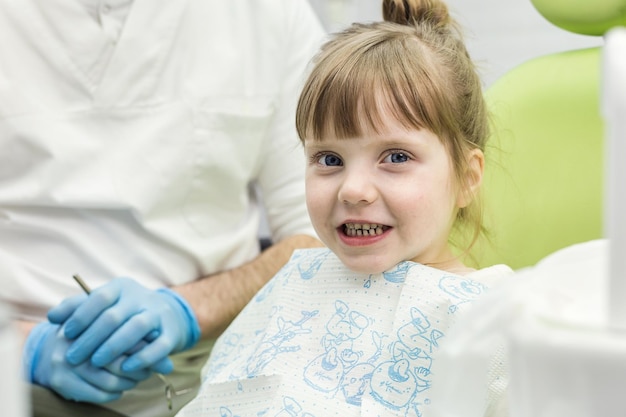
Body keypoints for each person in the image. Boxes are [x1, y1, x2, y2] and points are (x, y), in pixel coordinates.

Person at [173, 0, 513, 416]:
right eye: (329, 159)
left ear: (467, 177)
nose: (352, 190)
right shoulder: (293, 283)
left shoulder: (489, 318)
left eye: (396, 157)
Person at [0, 0, 325, 415]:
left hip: (219, 374)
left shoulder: (267, 15)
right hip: (15, 380)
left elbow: (327, 236)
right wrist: (26, 345)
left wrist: (189, 310)